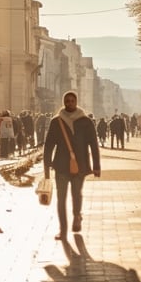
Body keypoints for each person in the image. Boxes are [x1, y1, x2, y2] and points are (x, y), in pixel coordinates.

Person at [43, 91, 101, 241]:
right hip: (61, 166)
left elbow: (94, 145)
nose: (69, 103)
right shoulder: (56, 122)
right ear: (64, 102)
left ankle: (76, 216)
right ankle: (63, 229)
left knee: (76, 193)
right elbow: (48, 145)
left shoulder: (86, 121)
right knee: (61, 198)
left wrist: (97, 166)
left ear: (76, 102)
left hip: (80, 165)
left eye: (72, 101)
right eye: (67, 101)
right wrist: (46, 168)